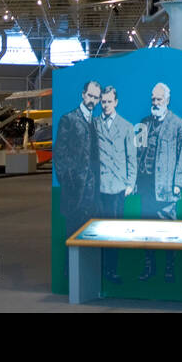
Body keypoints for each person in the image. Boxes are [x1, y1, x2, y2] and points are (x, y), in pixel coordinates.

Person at [134, 82, 182, 282]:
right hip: (146, 187)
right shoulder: (143, 123)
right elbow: (138, 153)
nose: (155, 103)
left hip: (166, 188)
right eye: (153, 99)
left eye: (159, 99)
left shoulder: (178, 124)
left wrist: (178, 183)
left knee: (168, 229)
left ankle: (169, 268)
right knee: (147, 228)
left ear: (167, 100)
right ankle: (149, 267)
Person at [94, 85, 135, 283]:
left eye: (109, 101)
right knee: (99, 230)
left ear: (116, 102)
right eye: (103, 102)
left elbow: (131, 158)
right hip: (100, 186)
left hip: (118, 187)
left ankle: (112, 269)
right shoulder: (93, 125)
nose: (106, 105)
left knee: (115, 230)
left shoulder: (126, 126)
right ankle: (101, 269)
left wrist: (130, 183)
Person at [54, 80, 100, 245]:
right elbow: (59, 155)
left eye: (96, 97)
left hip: (91, 194)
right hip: (73, 194)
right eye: (89, 95)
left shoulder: (95, 122)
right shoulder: (69, 119)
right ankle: (69, 271)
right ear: (83, 94)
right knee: (72, 238)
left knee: (89, 238)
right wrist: (68, 182)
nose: (92, 100)